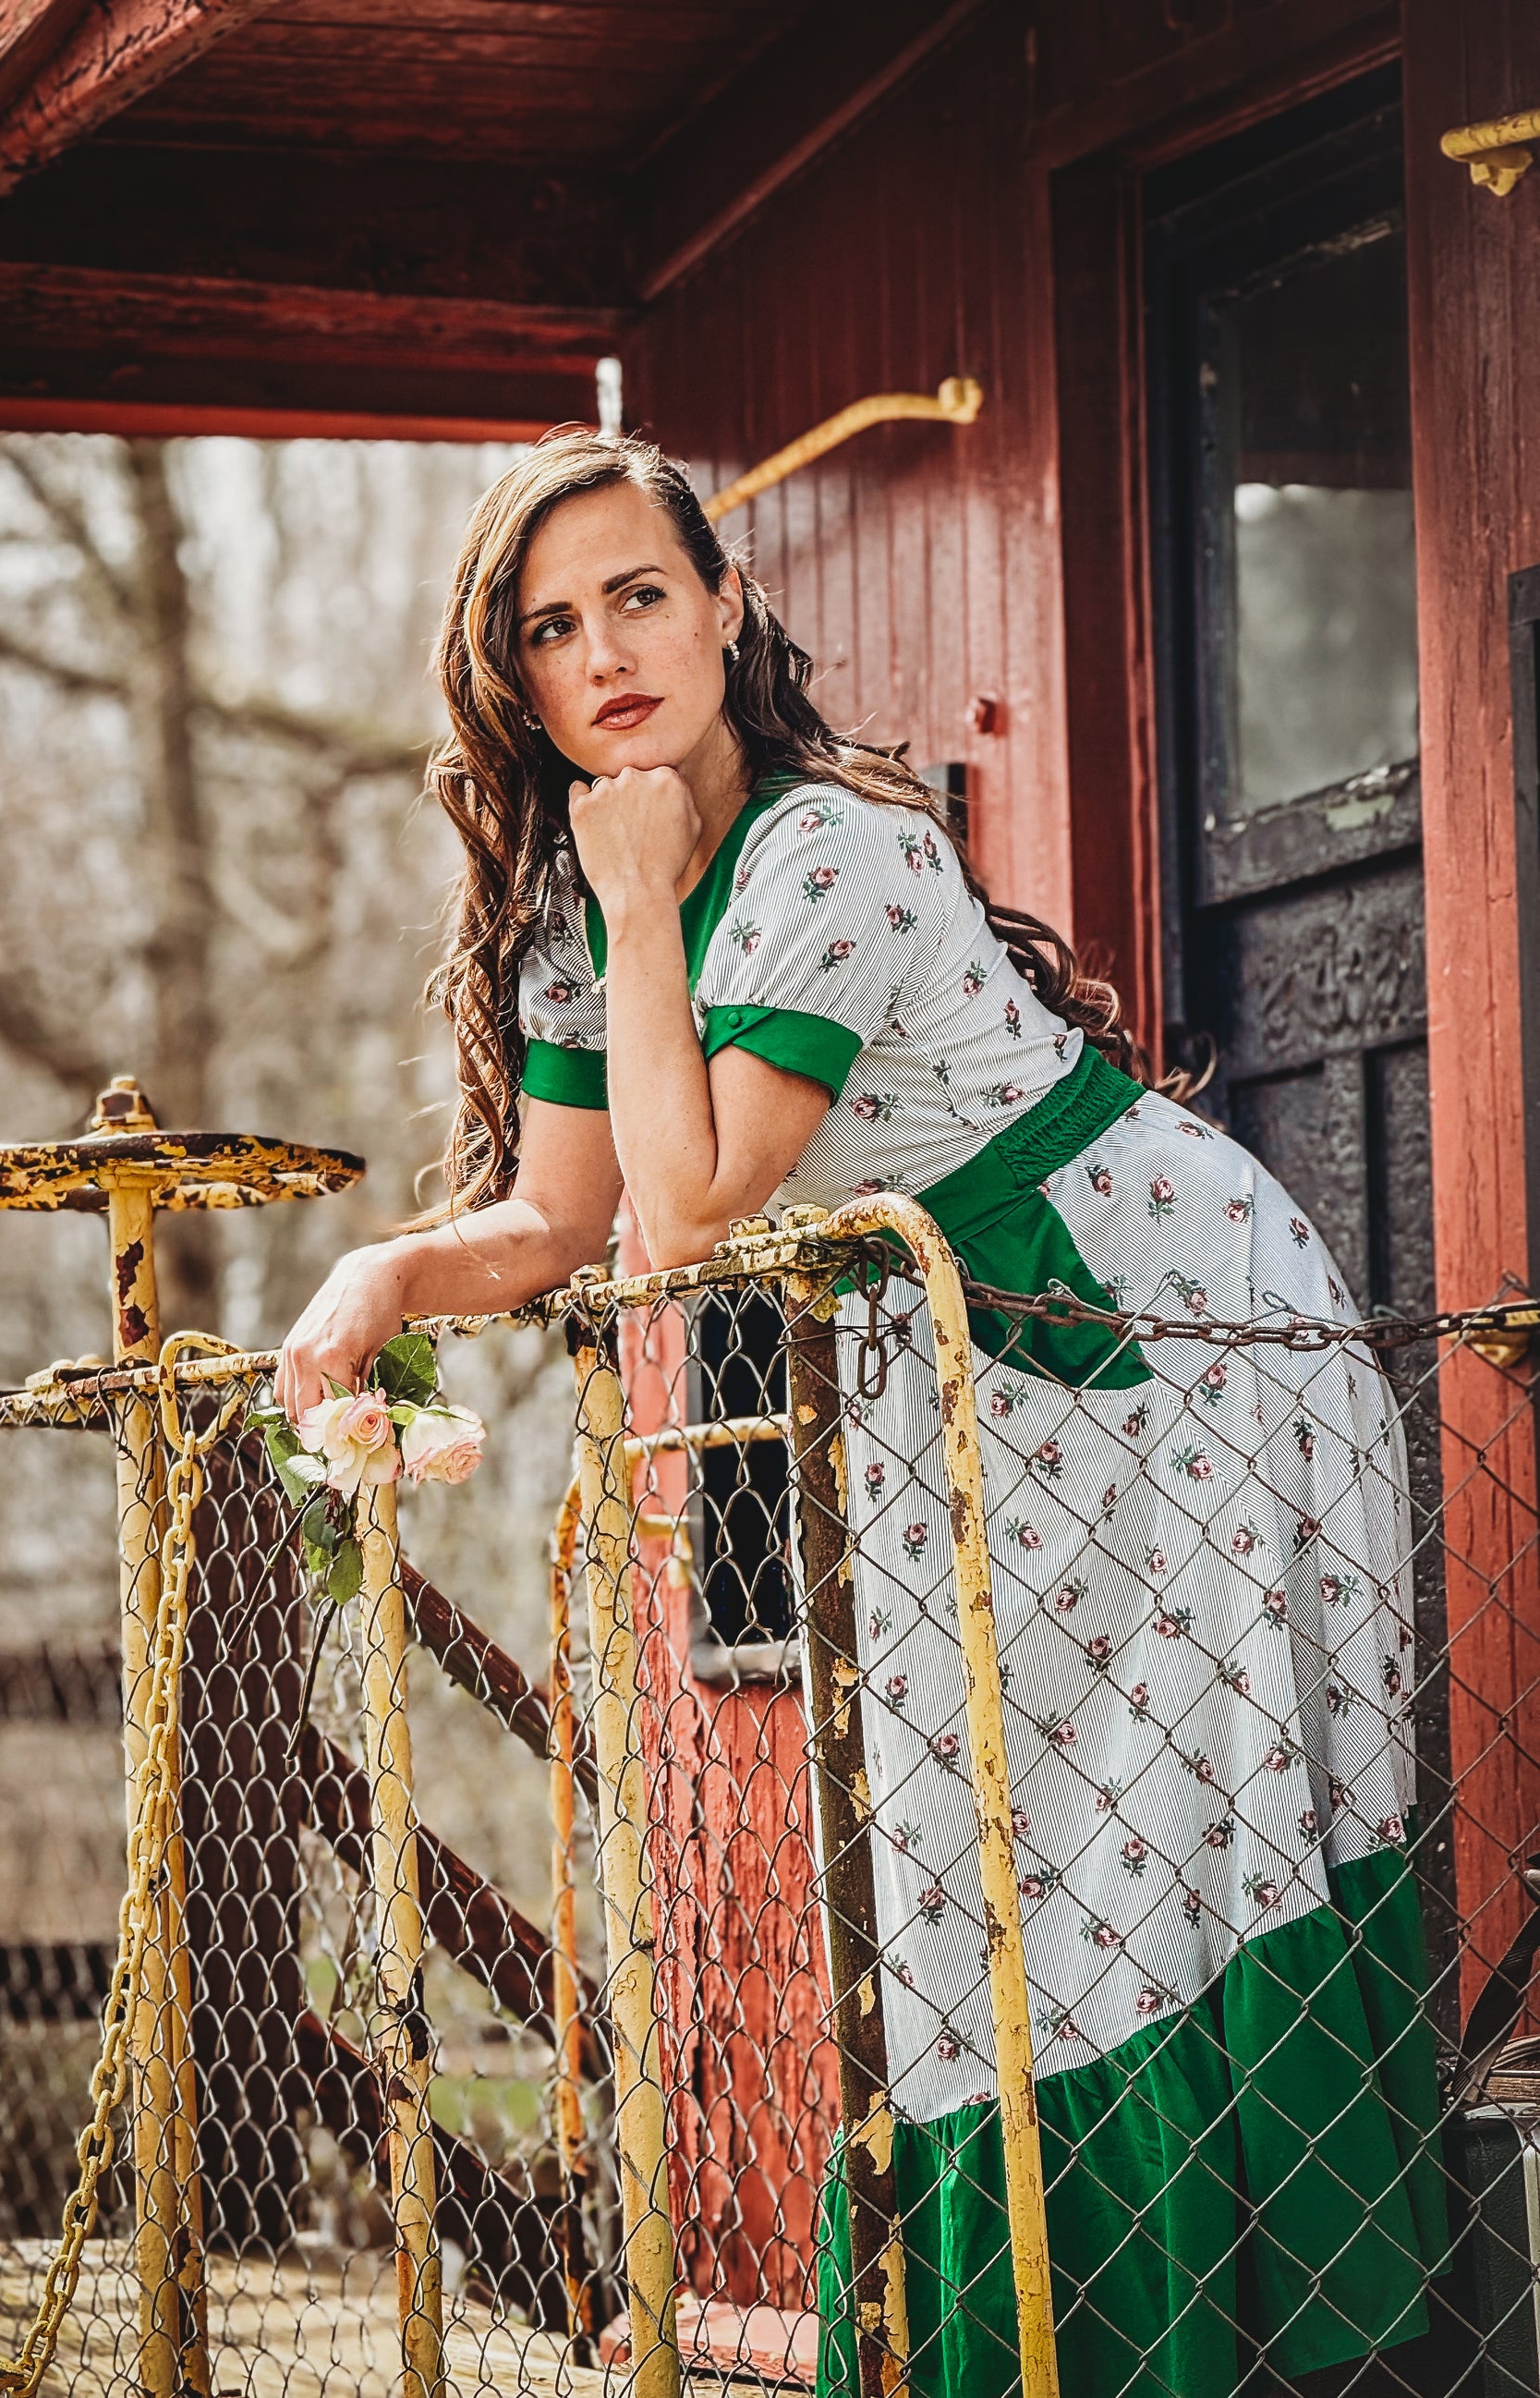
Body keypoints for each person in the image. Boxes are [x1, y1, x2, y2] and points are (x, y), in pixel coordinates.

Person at [275, 429, 1444, 2396]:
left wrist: (649, 908)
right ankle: (1038, 2347)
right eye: (552, 628)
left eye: (640, 593)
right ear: (516, 682)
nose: (606, 652)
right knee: (983, 1884)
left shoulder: (831, 845)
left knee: (1184, 1835)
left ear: (726, 606)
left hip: (1159, 1325)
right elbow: (567, 1216)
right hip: (956, 1384)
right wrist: (383, 1269)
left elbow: (699, 1187)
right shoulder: (585, 898)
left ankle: (1266, 2340)